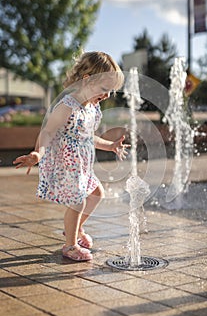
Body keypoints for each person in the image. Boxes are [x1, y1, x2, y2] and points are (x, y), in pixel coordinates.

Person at [13, 51, 130, 262]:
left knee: (97, 193)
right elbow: (47, 132)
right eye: (104, 89)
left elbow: (88, 137)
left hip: (81, 165)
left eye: (111, 92)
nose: (106, 96)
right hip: (65, 164)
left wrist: (110, 146)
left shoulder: (91, 107)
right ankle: (70, 246)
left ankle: (73, 230)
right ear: (87, 80)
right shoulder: (67, 106)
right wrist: (38, 153)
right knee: (78, 203)